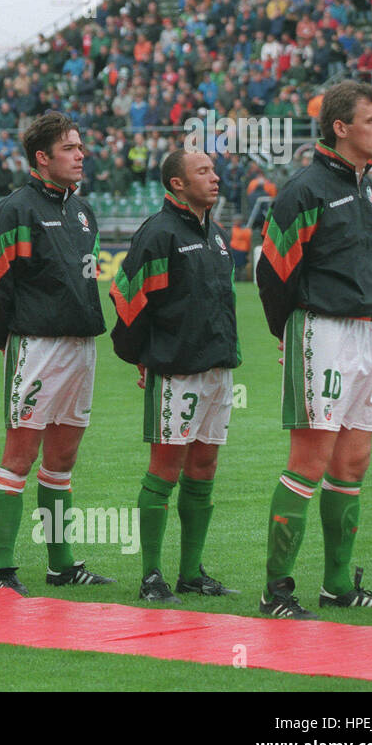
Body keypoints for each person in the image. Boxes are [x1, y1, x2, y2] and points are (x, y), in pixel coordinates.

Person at [255, 81, 372, 616]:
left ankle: (338, 585)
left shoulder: (371, 189)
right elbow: (273, 271)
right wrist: (286, 334)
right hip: (323, 331)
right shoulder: (305, 189)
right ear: (341, 128)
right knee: (309, 460)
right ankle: (277, 591)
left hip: (368, 331)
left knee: (353, 462)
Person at [0, 111, 113, 594]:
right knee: (19, 456)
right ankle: (5, 570)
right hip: (35, 347)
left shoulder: (81, 210)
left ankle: (62, 564)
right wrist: (14, 337)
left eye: (79, 147)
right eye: (70, 148)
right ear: (42, 158)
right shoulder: (16, 210)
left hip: (81, 346)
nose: (80, 155)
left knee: (62, 460)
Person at [109, 150, 241, 602]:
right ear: (177, 184)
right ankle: (151, 576)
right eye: (203, 171)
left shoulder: (216, 235)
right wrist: (143, 356)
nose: (215, 177)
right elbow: (127, 297)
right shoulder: (159, 233)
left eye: (214, 170)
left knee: (204, 469)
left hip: (219, 371)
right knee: (164, 471)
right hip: (177, 373)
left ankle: (190, 573)